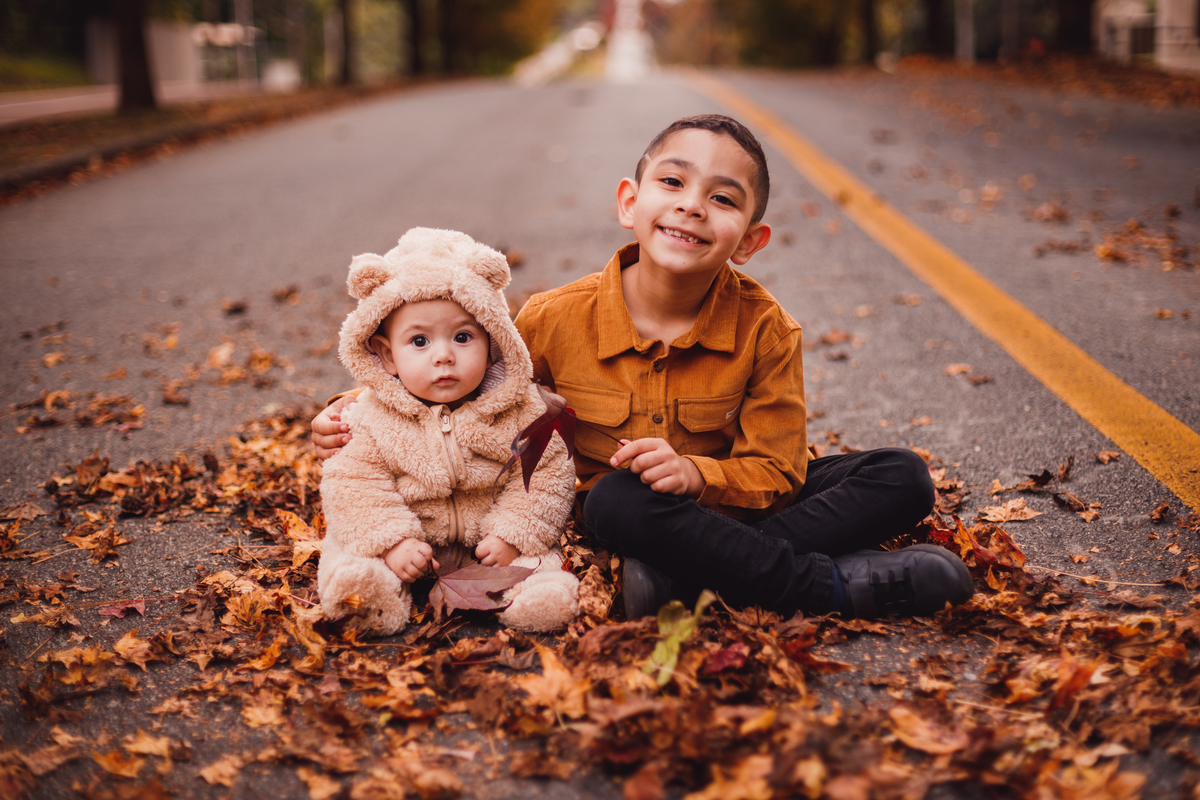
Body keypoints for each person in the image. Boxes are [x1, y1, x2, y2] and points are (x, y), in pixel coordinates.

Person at [314, 116, 974, 621]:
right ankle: (825, 584)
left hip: (721, 501)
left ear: (748, 241)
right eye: (672, 182)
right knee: (617, 498)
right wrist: (358, 406)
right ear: (631, 202)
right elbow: (461, 378)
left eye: (723, 198)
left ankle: (682, 579)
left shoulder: (767, 330)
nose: (691, 205)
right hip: (623, 512)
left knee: (903, 476)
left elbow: (777, 471)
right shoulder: (555, 317)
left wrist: (696, 474)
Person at [316, 227, 579, 636]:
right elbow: (353, 484)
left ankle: (536, 594)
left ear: (492, 342)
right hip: (407, 538)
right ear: (387, 356)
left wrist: (511, 535)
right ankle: (367, 592)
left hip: (489, 546)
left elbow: (546, 475)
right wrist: (392, 542)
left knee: (537, 553)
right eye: (419, 341)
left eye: (462, 337)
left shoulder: (519, 410)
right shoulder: (368, 418)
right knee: (348, 543)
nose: (443, 356)